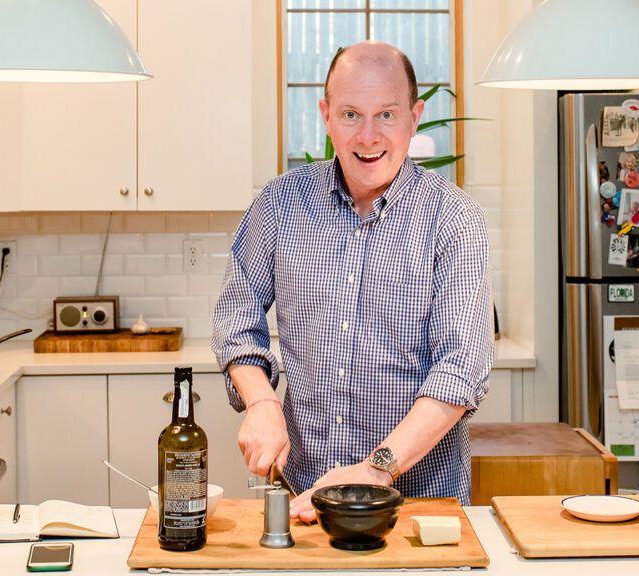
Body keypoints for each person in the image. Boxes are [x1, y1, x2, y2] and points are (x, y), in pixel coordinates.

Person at [211, 41, 493, 524]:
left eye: (386, 114)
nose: (368, 137)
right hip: (304, 500)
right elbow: (236, 318)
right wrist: (259, 400)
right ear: (325, 115)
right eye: (349, 114)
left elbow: (461, 368)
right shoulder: (281, 204)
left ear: (414, 116)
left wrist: (375, 469)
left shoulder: (453, 217)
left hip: (419, 505)